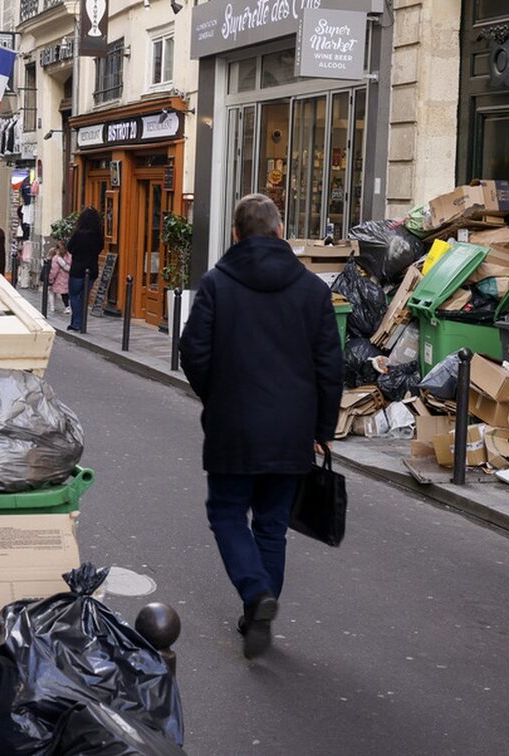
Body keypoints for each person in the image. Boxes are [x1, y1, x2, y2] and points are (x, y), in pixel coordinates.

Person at [179, 193, 343, 659]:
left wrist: (218, 394)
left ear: (235, 235)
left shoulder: (216, 284)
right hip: (292, 430)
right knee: (271, 524)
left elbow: (193, 352)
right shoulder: (313, 291)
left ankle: (256, 595)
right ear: (280, 232)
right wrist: (323, 425)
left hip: (234, 425)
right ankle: (259, 607)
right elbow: (330, 365)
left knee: (227, 513)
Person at [65, 208, 103, 331]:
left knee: (74, 296)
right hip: (91, 269)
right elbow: (99, 249)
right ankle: (79, 322)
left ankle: (76, 323)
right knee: (83, 297)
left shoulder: (78, 234)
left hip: (77, 269)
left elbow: (70, 248)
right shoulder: (98, 236)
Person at [48, 243, 72, 314]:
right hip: (67, 277)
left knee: (52, 291)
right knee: (64, 293)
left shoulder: (56, 258)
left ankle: (52, 307)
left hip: (58, 279)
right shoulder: (69, 256)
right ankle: (67, 307)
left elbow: (54, 270)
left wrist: (51, 279)